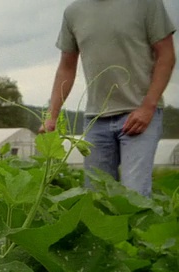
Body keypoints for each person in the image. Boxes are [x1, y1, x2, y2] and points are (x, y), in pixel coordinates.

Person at [43, 0, 176, 197]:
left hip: (139, 116)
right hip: (96, 120)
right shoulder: (73, 12)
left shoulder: (147, 4)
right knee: (97, 196)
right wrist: (51, 115)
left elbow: (166, 55)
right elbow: (66, 67)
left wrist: (148, 106)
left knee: (135, 194)